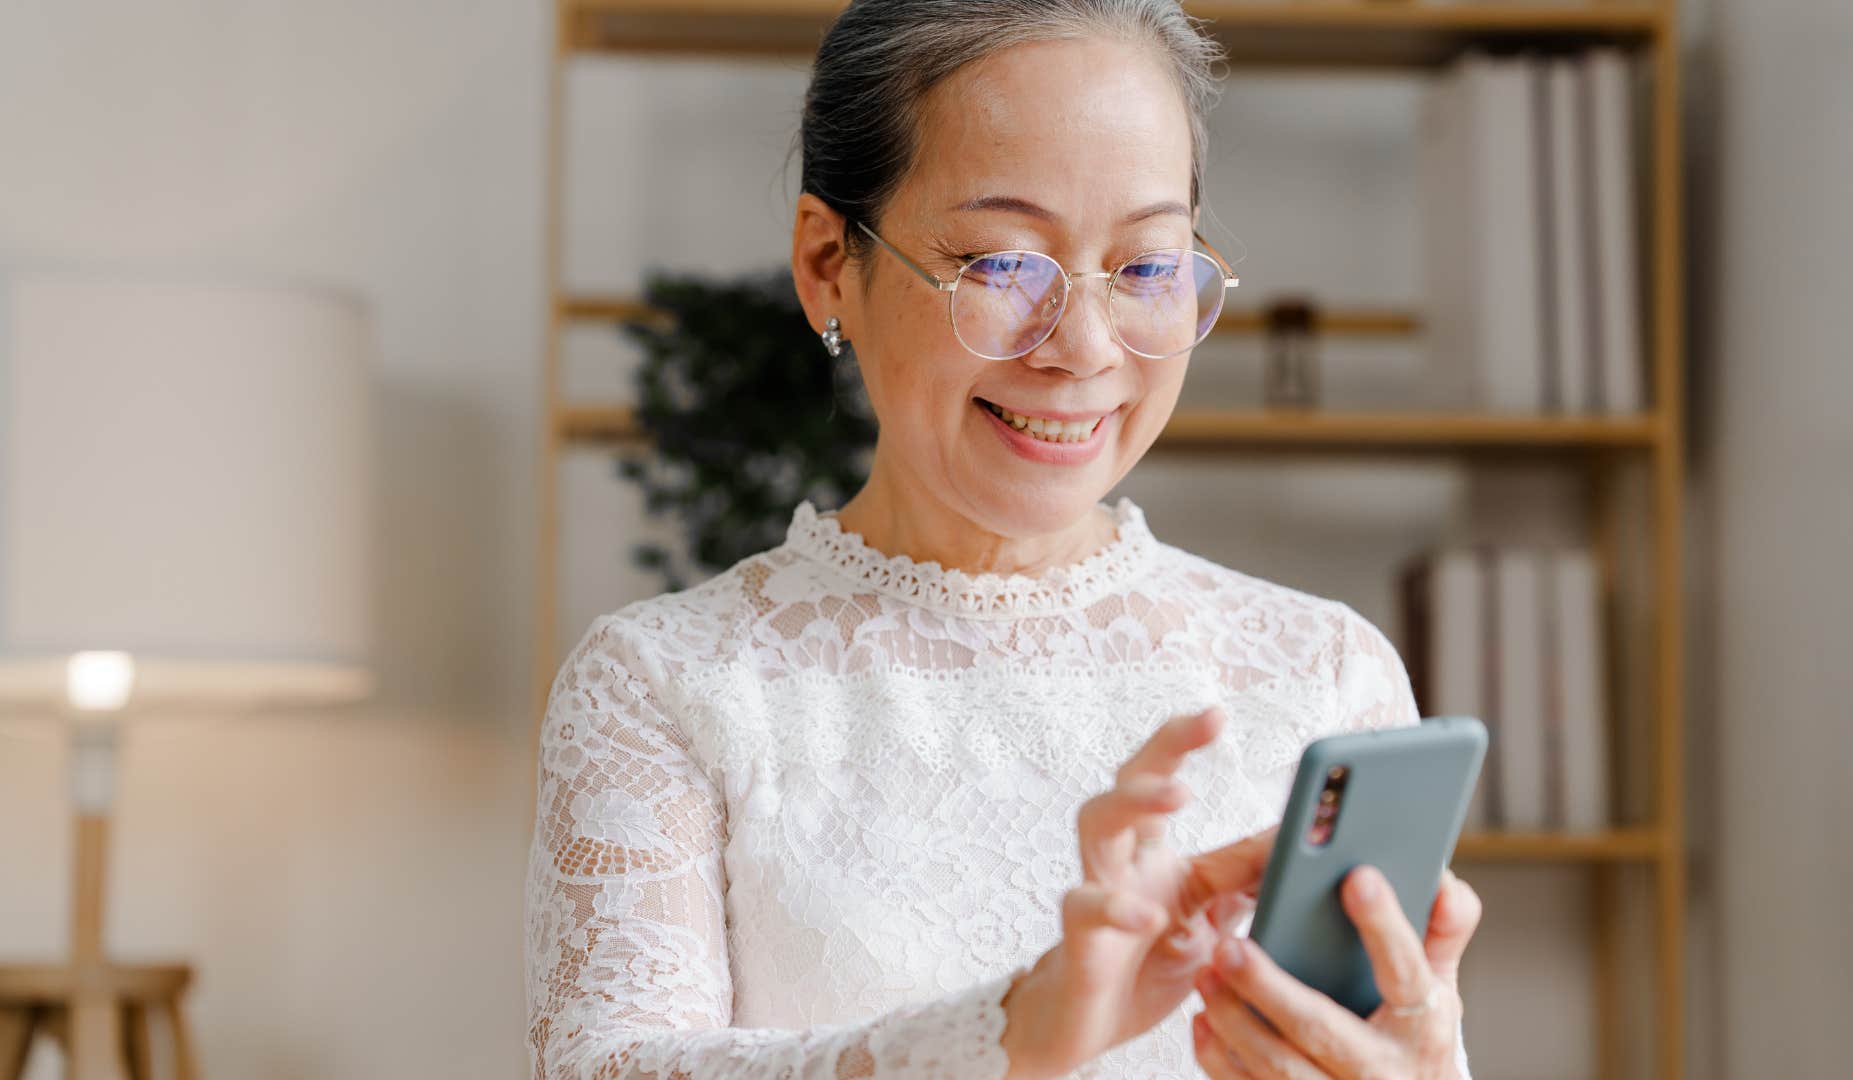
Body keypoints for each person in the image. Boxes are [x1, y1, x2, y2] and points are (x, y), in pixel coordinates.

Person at [524, 1, 1483, 1076]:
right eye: (1000, 264)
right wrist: (1012, 1032)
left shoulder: (1323, 675)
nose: (1081, 348)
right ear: (829, 263)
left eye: (1149, 267)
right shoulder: (662, 685)